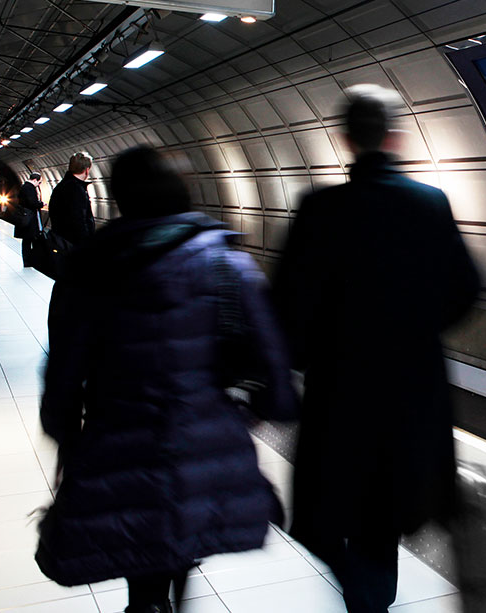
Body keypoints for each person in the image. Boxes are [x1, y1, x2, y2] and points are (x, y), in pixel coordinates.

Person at [37, 146, 299, 613]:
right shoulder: (226, 265)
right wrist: (254, 414)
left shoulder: (89, 269)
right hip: (199, 446)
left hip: (115, 445)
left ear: (118, 197)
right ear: (184, 191)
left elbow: (62, 374)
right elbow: (275, 373)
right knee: (178, 543)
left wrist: (66, 437)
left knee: (145, 560)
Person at [274, 85, 480, 612]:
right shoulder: (429, 204)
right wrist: (414, 333)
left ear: (345, 138)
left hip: (340, 396)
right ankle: (370, 598)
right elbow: (465, 291)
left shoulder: (319, 209)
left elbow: (289, 308)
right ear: (394, 137)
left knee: (334, 516)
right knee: (380, 522)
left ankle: (365, 599)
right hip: (411, 399)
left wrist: (305, 356)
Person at [48, 151, 96, 250]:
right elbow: (79, 221)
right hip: (73, 245)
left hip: (60, 241)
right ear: (87, 170)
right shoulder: (76, 189)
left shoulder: (61, 186)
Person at [14, 172, 44, 267]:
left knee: (27, 240)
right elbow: (32, 203)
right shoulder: (29, 188)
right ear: (35, 180)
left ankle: (29, 260)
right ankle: (29, 261)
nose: (38, 185)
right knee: (28, 240)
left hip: (26, 218)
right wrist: (41, 204)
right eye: (39, 183)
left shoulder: (25, 187)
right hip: (29, 219)